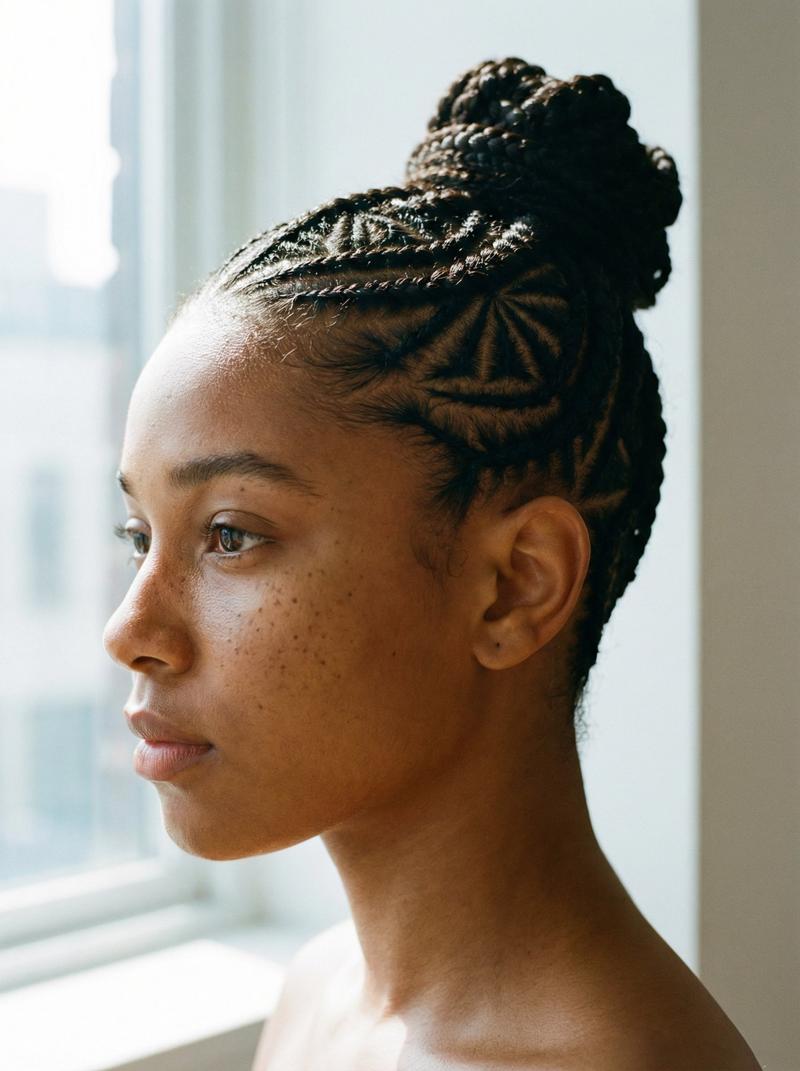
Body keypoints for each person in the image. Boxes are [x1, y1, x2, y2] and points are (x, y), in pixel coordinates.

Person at [103, 57, 761, 1070]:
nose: (129, 631)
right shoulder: (320, 999)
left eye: (229, 534)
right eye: (139, 537)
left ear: (514, 585)